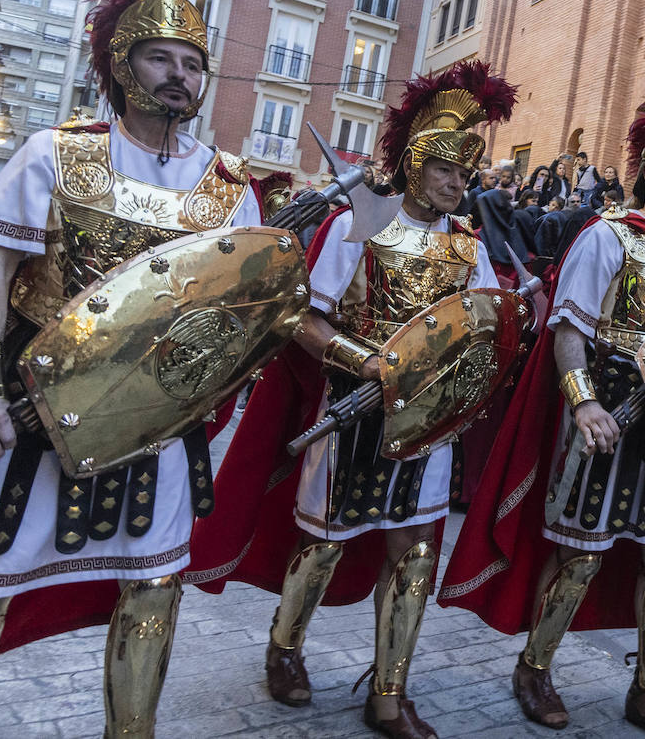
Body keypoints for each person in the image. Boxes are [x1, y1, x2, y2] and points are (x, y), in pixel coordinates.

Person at [0, 0, 267, 735]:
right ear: (122, 63)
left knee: (153, 591)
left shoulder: (227, 187)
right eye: (163, 57)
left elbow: (240, 318)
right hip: (38, 412)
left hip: (160, 426)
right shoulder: (55, 154)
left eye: (194, 62)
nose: (181, 76)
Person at [187, 62, 519, 739]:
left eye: (466, 175)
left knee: (417, 553)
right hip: (353, 412)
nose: (460, 185)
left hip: (427, 423)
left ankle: (389, 692)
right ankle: (285, 647)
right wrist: (363, 360)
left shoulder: (468, 248)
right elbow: (303, 320)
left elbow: (488, 327)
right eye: (449, 172)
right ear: (417, 165)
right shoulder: (355, 226)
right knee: (325, 545)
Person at [439, 69, 645, 738]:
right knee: (581, 554)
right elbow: (569, 331)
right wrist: (582, 406)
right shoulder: (607, 236)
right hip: (605, 413)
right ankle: (535, 667)